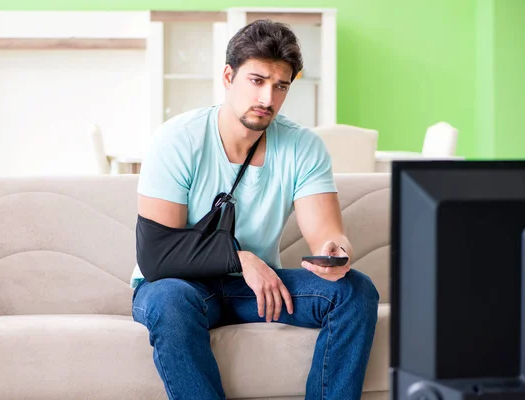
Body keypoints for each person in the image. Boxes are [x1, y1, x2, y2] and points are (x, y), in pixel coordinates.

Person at [130, 19, 379, 400]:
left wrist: (335, 250)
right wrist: (240, 258)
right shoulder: (177, 139)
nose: (267, 98)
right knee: (169, 301)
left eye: (281, 86)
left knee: (354, 291)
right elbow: (157, 256)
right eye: (257, 80)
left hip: (254, 290)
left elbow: (326, 231)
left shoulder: (303, 147)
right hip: (180, 285)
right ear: (228, 76)